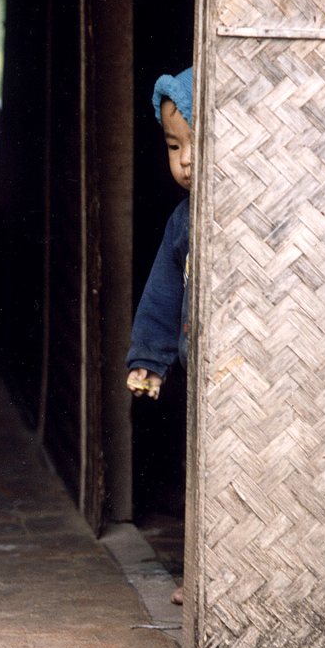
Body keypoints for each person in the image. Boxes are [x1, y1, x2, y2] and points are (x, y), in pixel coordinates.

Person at [125, 67, 193, 605]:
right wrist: (149, 356)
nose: (185, 160)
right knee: (203, 477)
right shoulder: (183, 222)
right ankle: (203, 578)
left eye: (198, 144)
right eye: (175, 146)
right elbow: (163, 295)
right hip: (205, 378)